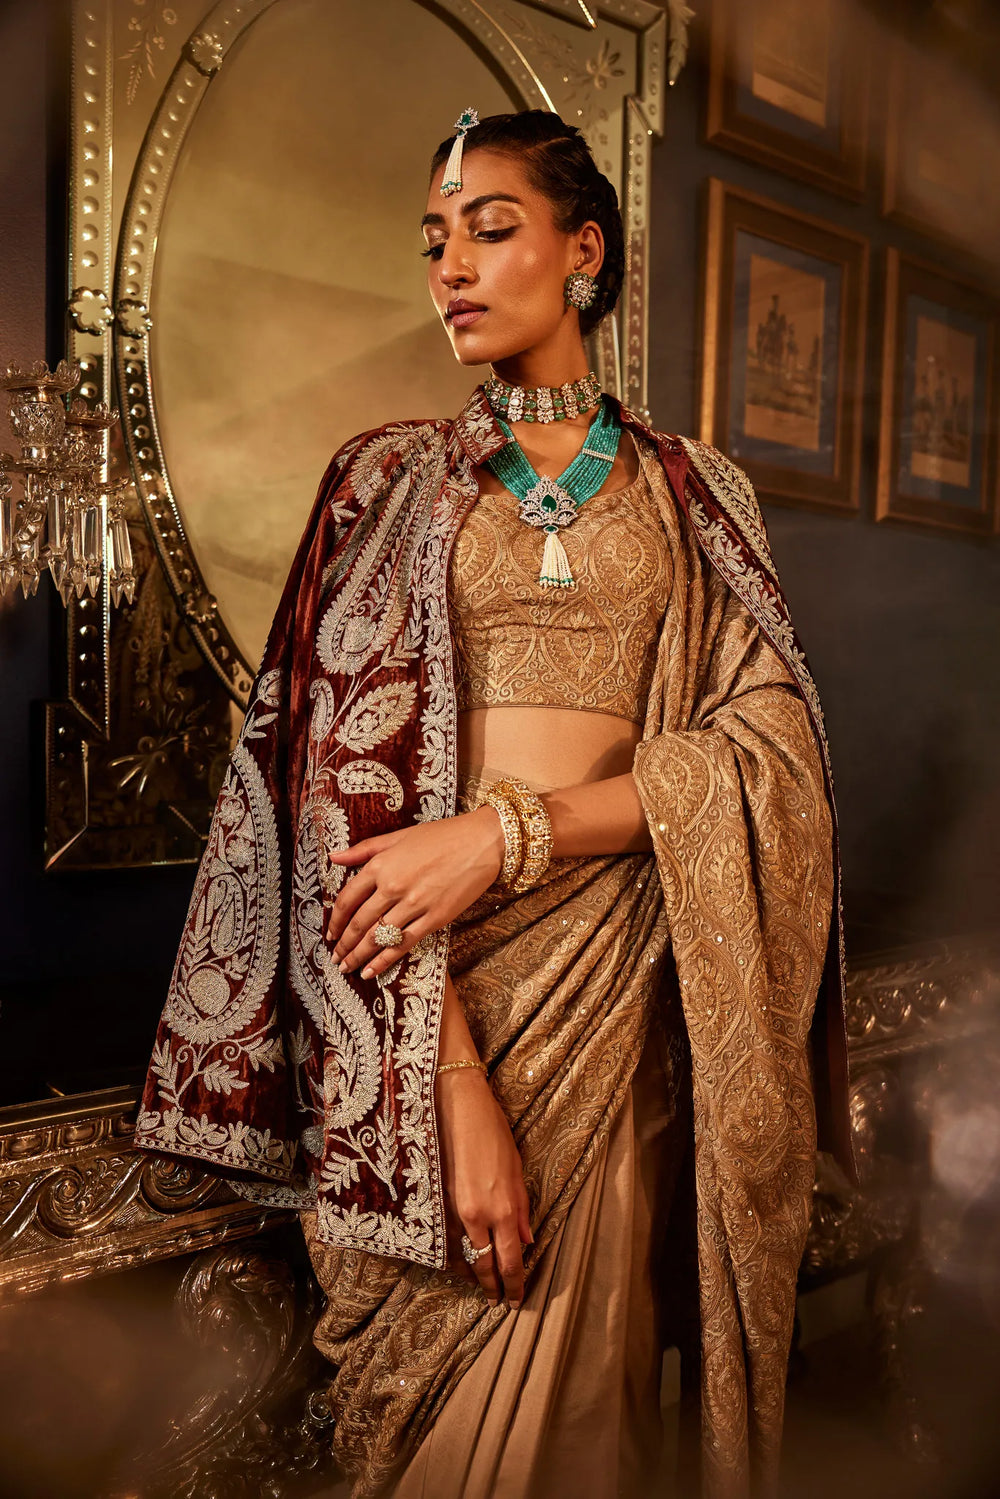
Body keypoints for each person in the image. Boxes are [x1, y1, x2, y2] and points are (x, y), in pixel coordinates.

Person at [133, 108, 852, 1499]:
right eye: (434, 242)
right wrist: (447, 1087)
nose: (450, 268)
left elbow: (770, 754)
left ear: (585, 251)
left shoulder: (697, 492)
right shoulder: (384, 482)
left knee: (586, 1434)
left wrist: (507, 834)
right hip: (422, 1020)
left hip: (617, 1015)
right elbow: (330, 796)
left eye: (490, 228)